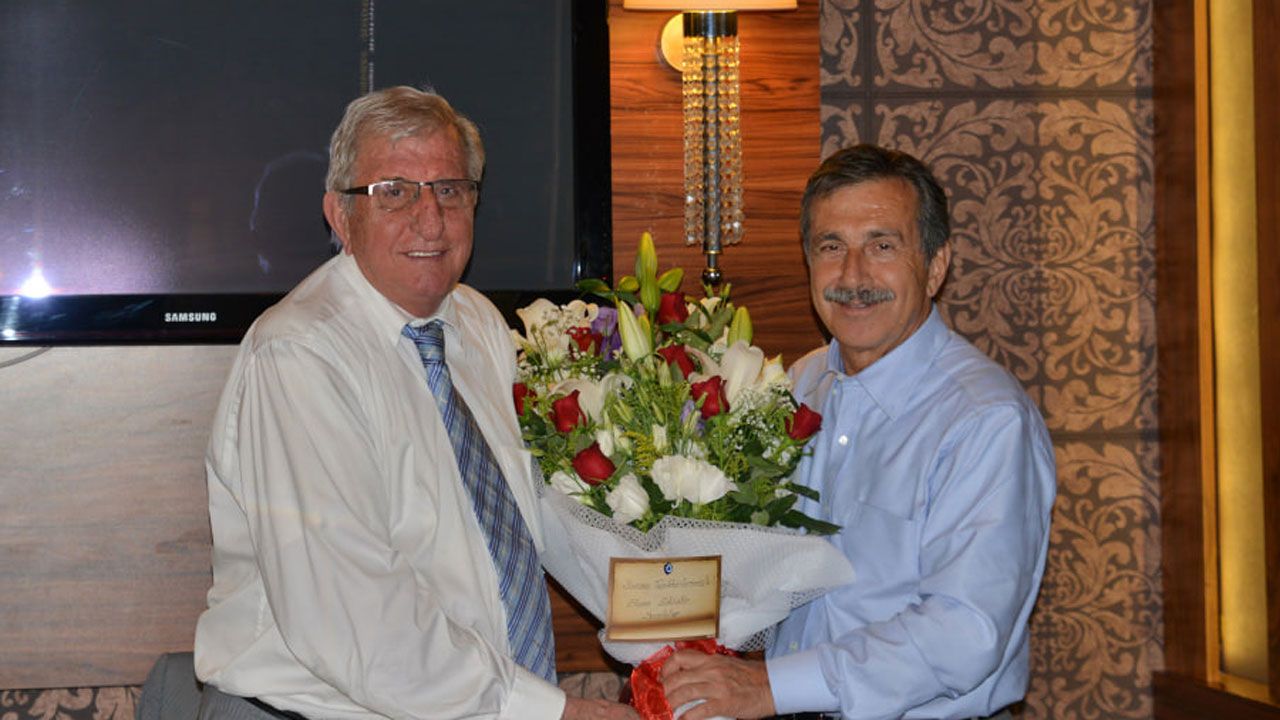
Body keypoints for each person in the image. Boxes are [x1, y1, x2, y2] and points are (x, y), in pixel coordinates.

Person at [193, 86, 637, 720]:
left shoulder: (476, 323)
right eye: (395, 192)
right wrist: (547, 711)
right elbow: (353, 611)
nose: (430, 220)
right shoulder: (299, 356)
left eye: (450, 190)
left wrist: (665, 607)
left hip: (466, 702)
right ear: (340, 216)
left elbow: (529, 516)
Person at [661, 144, 1057, 720]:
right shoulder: (795, 385)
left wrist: (769, 688)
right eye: (831, 247)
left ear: (936, 266)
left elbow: (963, 630)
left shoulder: (984, 419)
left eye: (882, 245)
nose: (853, 275)